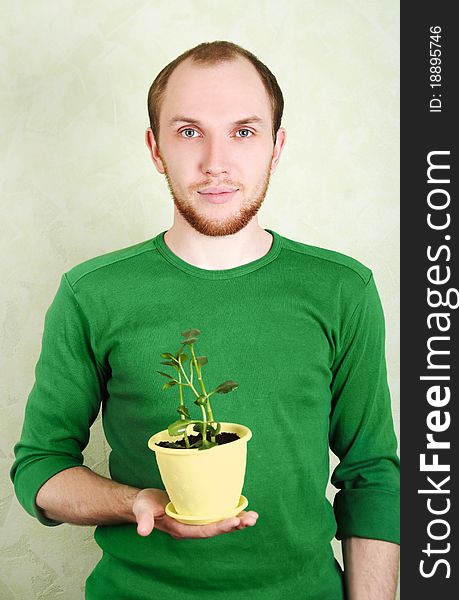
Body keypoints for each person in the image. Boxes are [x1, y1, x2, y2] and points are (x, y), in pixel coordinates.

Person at [10, 40, 400, 599]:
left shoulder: (344, 290)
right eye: (189, 131)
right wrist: (136, 502)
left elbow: (373, 476)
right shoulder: (90, 293)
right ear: (155, 147)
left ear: (277, 145)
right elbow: (40, 470)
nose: (216, 161)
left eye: (243, 132)